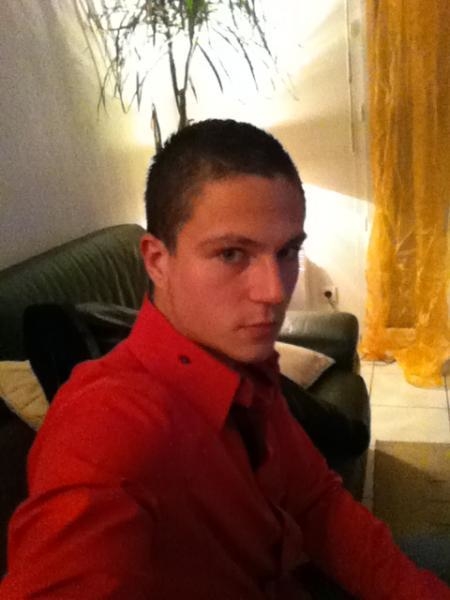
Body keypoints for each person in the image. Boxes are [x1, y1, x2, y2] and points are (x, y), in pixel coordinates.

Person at [0, 119, 448, 599]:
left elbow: (316, 500)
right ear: (156, 261)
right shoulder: (106, 426)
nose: (275, 291)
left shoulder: (242, 363)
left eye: (287, 251)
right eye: (232, 254)